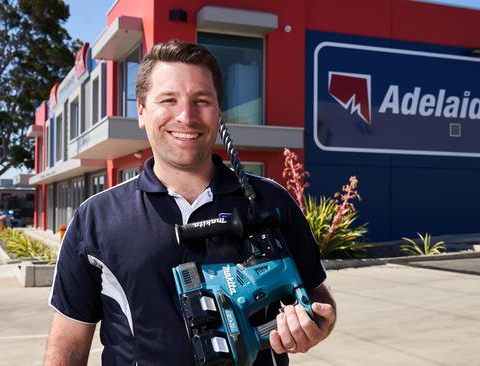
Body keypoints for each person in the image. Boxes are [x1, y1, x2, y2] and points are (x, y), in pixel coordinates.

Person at [44, 39, 336, 365]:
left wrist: (312, 327)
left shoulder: (273, 200)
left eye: (202, 100)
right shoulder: (96, 219)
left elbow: (319, 299)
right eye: (169, 100)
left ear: (218, 111)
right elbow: (68, 342)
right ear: (141, 111)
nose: (186, 116)